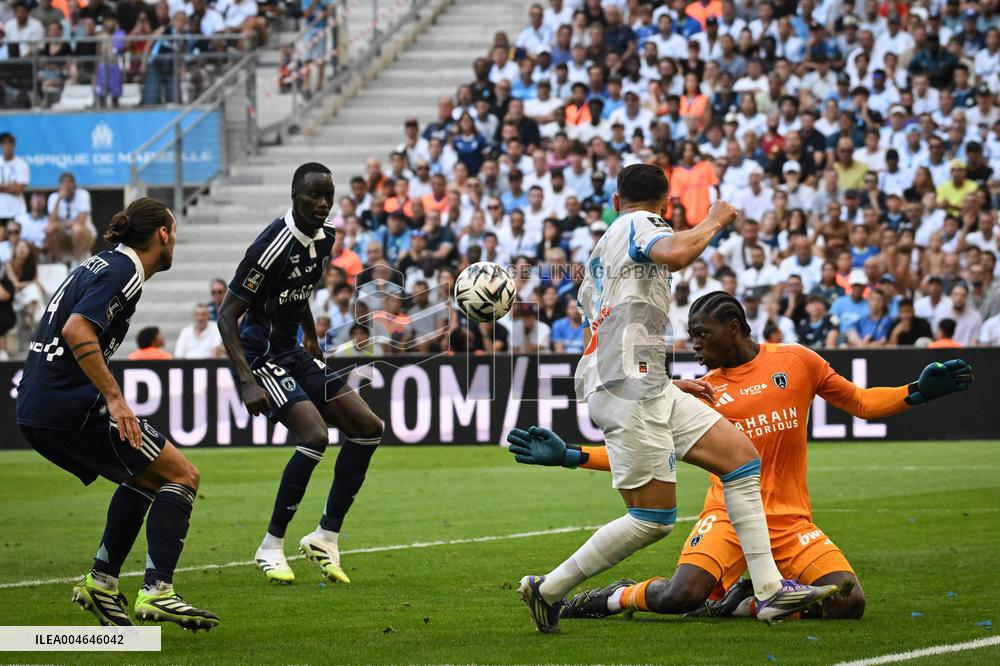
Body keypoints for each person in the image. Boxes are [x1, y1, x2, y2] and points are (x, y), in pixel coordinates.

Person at [510, 292, 974, 621]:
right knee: (681, 596)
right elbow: (642, 454)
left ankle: (744, 602)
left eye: (701, 335)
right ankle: (613, 598)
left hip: (792, 523)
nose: (692, 345)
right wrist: (570, 456)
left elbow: (861, 403)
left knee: (850, 604)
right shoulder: (695, 394)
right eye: (689, 335)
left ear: (733, 329)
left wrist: (914, 393)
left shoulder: (797, 362)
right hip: (728, 519)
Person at [515, 164, 840, 634]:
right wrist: (714, 220)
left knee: (742, 461)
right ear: (666, 205)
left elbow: (615, 329)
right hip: (630, 390)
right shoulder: (638, 224)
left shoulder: (600, 258)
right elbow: (674, 253)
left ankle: (770, 592)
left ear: (613, 199)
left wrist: (664, 383)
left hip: (642, 384)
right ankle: (548, 589)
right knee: (652, 519)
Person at [15, 197, 219, 629]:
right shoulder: (125, 271)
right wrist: (115, 397)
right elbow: (76, 328)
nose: (175, 242)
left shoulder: (100, 263)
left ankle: (102, 583)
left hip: (38, 403)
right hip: (67, 403)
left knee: (143, 477)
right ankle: (158, 590)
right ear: (163, 234)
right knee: (182, 475)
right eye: (175, 233)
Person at [217, 163, 383, 585]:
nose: (322, 203)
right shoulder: (271, 245)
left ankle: (325, 536)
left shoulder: (326, 238)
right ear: (295, 195)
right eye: (313, 195)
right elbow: (227, 315)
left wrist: (310, 338)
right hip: (261, 355)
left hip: (292, 350)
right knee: (314, 435)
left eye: (327, 195)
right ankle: (270, 546)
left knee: (368, 427)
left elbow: (298, 293)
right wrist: (246, 379)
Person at [46, 172, 95, 265]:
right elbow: (51, 222)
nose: (67, 186)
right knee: (49, 229)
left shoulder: (83, 194)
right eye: (63, 183)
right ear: (59, 185)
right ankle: (60, 262)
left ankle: (76, 264)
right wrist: (58, 200)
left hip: (84, 235)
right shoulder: (54, 197)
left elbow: (81, 221)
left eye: (69, 182)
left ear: (74, 184)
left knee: (77, 229)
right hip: (64, 236)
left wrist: (59, 224)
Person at [0, 132, 29, 226]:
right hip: (1, 210)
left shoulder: (22, 164)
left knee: (16, 238)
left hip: (17, 211)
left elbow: (18, 189)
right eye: (4, 143)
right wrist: (11, 186)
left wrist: (2, 187)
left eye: (10, 143)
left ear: (14, 145)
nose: (7, 146)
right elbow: (14, 188)